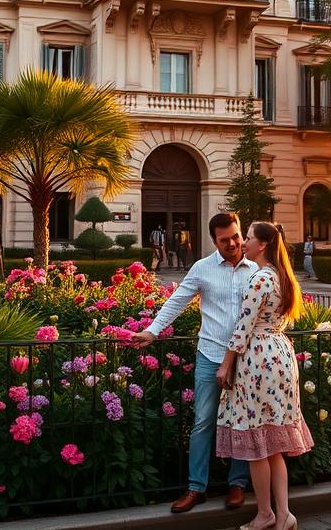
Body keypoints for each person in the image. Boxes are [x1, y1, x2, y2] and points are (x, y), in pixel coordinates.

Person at [130, 213, 256, 513]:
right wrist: (152, 331)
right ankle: (196, 488)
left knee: (242, 422)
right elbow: (177, 301)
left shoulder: (256, 270)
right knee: (203, 422)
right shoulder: (202, 268)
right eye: (224, 240)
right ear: (214, 241)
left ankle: (238, 484)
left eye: (236, 237)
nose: (232, 244)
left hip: (247, 359)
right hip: (210, 355)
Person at [217, 221, 313, 530]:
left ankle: (265, 514)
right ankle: (283, 514)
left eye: (248, 238)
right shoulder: (282, 276)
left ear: (263, 245)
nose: (243, 242)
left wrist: (226, 364)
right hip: (280, 355)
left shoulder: (259, 278)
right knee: (273, 446)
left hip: (258, 358)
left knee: (257, 444)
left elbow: (243, 327)